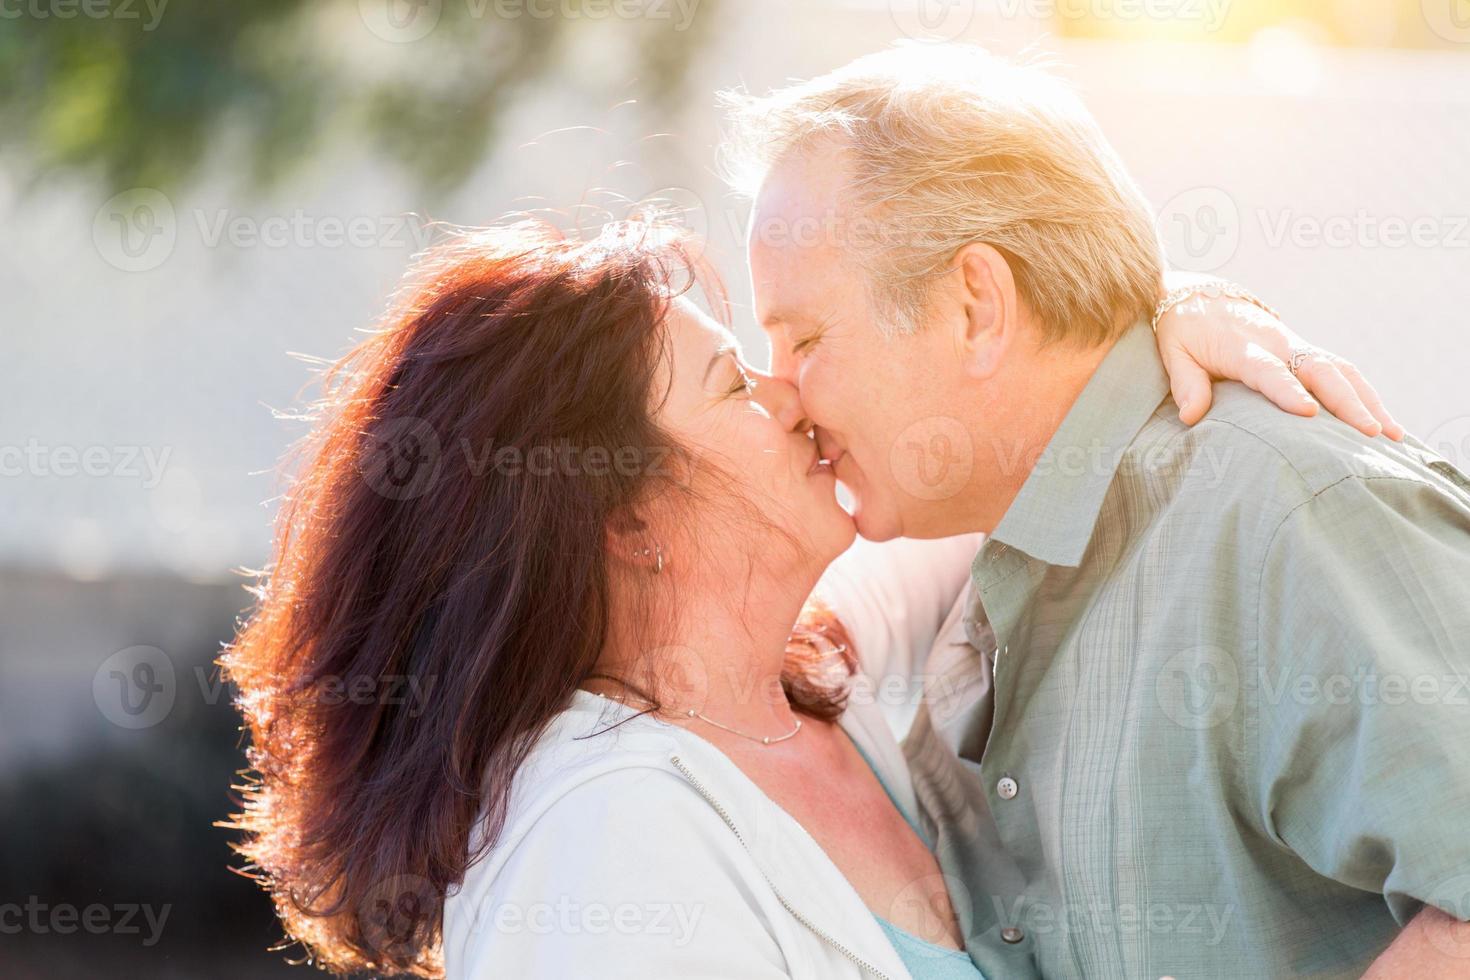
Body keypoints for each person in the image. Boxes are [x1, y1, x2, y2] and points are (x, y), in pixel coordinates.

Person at [223, 206, 1402, 977]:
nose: (792, 395)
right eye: (735, 385)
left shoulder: (824, 672)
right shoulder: (595, 844)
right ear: (627, 516)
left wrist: (1177, 306)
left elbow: (1034, 436)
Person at [726, 42, 1470, 979]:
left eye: (805, 338)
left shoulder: (1286, 518)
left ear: (977, 308)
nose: (784, 394)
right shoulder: (1001, 568)